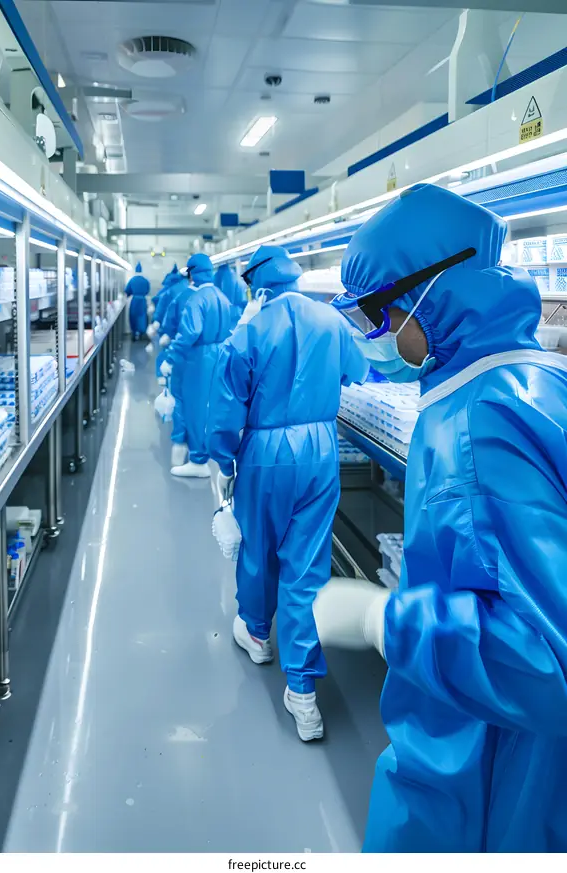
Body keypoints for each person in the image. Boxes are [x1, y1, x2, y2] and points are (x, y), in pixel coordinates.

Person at [313, 182, 567, 852]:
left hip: (486, 771)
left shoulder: (476, 429)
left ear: (432, 293)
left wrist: (383, 619)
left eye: (379, 315)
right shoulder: (537, 382)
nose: (375, 337)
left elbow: (545, 657)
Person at [206, 245, 368, 741]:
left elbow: (225, 409)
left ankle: (257, 633)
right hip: (319, 451)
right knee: (308, 564)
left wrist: (228, 463)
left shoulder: (249, 330)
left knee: (258, 549)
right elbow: (357, 371)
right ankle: (302, 694)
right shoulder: (330, 319)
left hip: (265, 451)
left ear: (256, 283)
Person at [168, 253, 232, 478]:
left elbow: (190, 332)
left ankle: (198, 460)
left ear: (192, 274)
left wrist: (170, 357)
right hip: (219, 354)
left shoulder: (197, 299)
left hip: (199, 358)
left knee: (195, 407)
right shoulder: (222, 297)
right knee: (210, 406)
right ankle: (207, 453)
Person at [157, 272, 194, 466]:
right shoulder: (215, 297)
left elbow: (184, 332)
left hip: (184, 357)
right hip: (208, 361)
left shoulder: (179, 296)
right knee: (201, 404)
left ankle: (180, 445)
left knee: (179, 399)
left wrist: (169, 357)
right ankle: (199, 457)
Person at [215, 263, 247, 329]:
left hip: (229, 313)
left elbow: (227, 297)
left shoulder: (225, 276)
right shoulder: (234, 276)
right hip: (236, 312)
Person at [124, 262, 150, 339]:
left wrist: (129, 294)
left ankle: (134, 333)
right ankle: (142, 333)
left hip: (134, 301)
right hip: (142, 301)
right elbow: (148, 290)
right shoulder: (145, 280)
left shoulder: (132, 280)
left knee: (133, 316)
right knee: (142, 316)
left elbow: (127, 290)